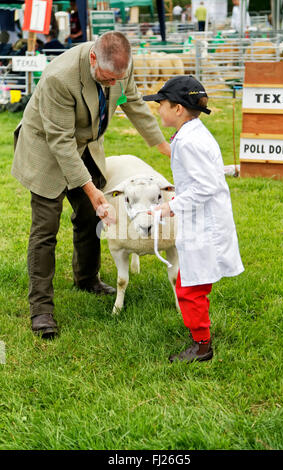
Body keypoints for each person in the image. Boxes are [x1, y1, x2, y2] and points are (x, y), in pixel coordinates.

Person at [12, 32, 171, 339]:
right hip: (46, 147)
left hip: (86, 146)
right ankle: (41, 309)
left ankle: (87, 278)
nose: (113, 85)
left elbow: (134, 101)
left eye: (117, 79)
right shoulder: (60, 77)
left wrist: (162, 145)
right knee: (45, 229)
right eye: (107, 79)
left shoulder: (121, 65)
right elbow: (61, 143)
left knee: (90, 216)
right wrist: (91, 188)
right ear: (93, 58)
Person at [143, 76, 244, 363]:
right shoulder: (193, 133)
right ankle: (201, 333)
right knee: (195, 280)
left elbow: (205, 187)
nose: (158, 109)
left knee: (189, 287)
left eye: (161, 104)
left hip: (204, 225)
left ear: (178, 109)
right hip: (203, 219)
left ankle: (202, 346)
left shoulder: (188, 142)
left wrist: (169, 207)